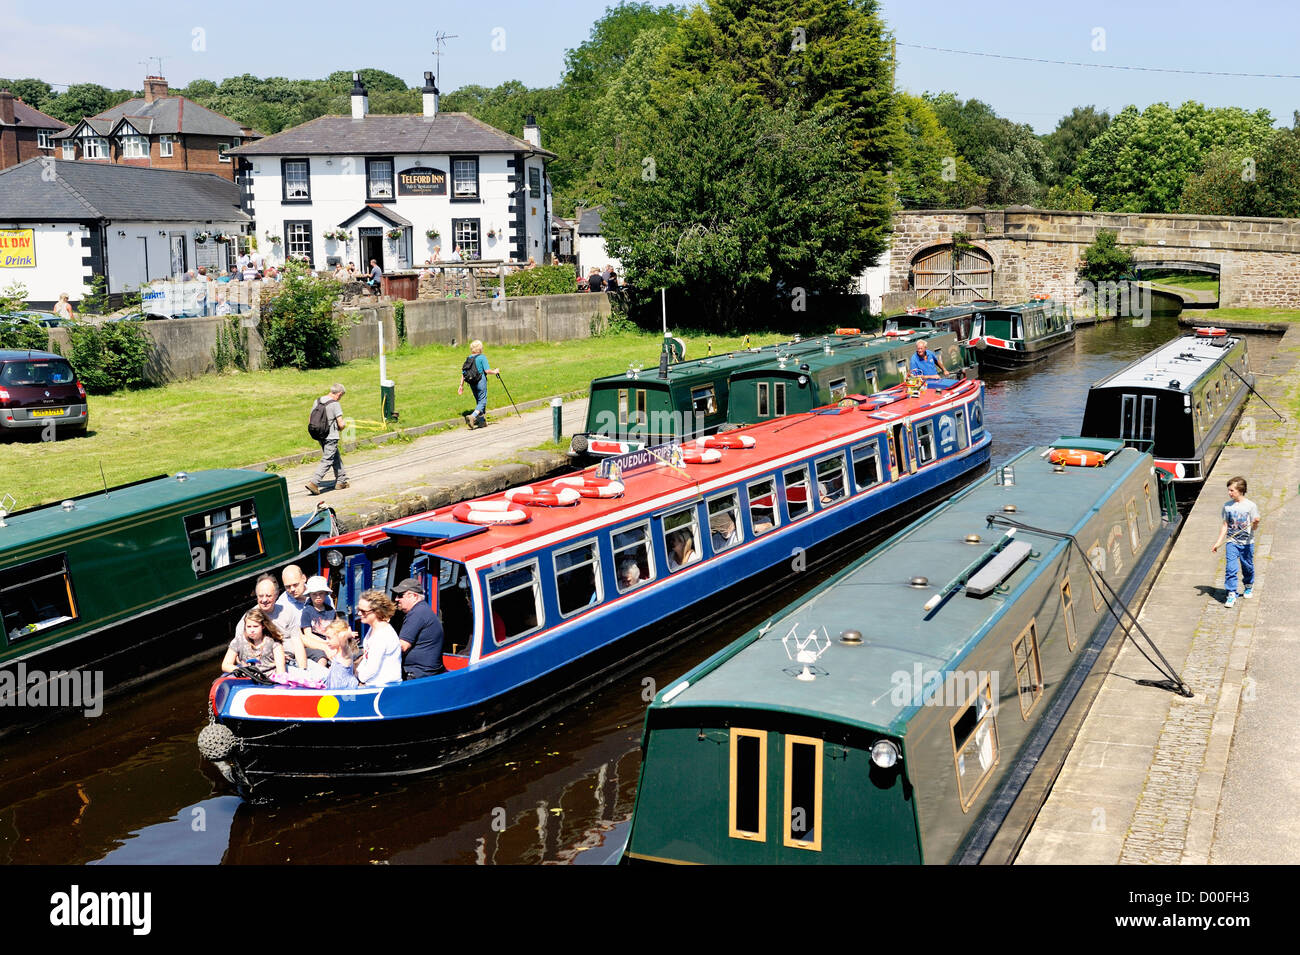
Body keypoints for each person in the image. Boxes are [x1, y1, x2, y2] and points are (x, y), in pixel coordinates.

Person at [235, 574, 306, 668]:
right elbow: (237, 653)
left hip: (292, 661)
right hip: (264, 665)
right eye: (261, 596)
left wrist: (303, 669)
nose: (264, 600)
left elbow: (297, 642)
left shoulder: (287, 612)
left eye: (268, 596)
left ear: (276, 595)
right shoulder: (248, 620)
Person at [1210, 475, 1260, 607]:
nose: (1229, 493)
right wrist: (1218, 542)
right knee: (1231, 569)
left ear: (1240, 490)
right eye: (1229, 490)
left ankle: (1248, 585)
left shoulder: (1251, 506)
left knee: (1247, 567)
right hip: (1231, 542)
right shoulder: (1227, 507)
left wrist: (1256, 523)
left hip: (1247, 543)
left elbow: (1254, 527)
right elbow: (1225, 526)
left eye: (1232, 490)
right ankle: (1231, 593)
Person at [393, 578, 446, 678]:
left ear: (414, 596)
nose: (396, 599)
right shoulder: (423, 609)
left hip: (418, 673)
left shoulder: (417, 614)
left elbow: (402, 646)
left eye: (400, 595)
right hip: (425, 671)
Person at [306, 383, 350, 495]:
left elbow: (310, 418)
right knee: (327, 459)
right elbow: (340, 424)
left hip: (320, 434)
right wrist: (343, 426)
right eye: (341, 396)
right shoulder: (335, 404)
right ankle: (314, 483)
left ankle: (341, 481)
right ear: (339, 394)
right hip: (331, 436)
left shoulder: (318, 401)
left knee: (335, 456)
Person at [355, 590, 402, 685]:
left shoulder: (382, 636)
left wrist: (357, 676)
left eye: (363, 611)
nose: (359, 614)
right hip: (373, 684)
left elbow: (371, 668)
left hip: (384, 688)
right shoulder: (373, 629)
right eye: (358, 610)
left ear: (377, 612)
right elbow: (367, 658)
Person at [221, 607, 287, 676]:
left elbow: (281, 671)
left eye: (255, 626)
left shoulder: (274, 642)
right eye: (249, 626)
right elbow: (225, 665)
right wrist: (243, 671)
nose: (252, 630)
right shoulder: (238, 641)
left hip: (269, 679)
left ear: (263, 626)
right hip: (247, 677)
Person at [457, 340, 498, 429]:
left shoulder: (468, 358)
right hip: (480, 381)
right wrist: (495, 371)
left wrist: (461, 385)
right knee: (482, 401)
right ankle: (473, 416)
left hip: (472, 383)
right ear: (480, 348)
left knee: (479, 401)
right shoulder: (482, 357)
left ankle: (482, 422)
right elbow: (487, 371)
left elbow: (464, 373)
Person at [321, 618, 361, 690]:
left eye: (329, 638)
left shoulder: (345, 652)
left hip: (344, 691)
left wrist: (348, 633)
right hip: (335, 689)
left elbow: (342, 636)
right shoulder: (337, 652)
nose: (326, 641)